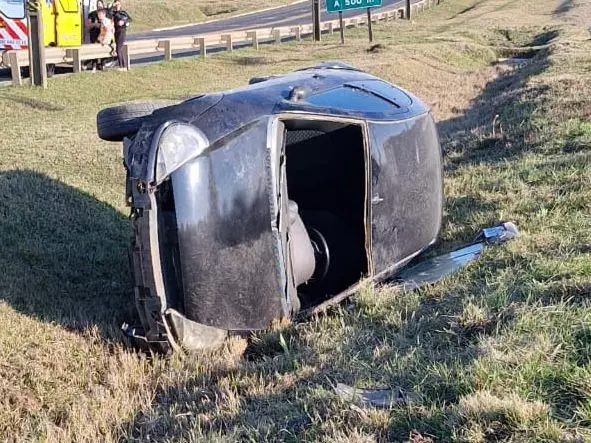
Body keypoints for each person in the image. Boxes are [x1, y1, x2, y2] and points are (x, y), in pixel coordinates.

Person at [111, 0, 132, 70]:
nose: (117, 6)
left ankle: (121, 66)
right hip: (115, 32)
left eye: (118, 4)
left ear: (120, 5)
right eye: (116, 4)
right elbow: (108, 14)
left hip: (122, 31)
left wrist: (123, 21)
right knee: (120, 49)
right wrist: (112, 6)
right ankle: (124, 65)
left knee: (118, 49)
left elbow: (129, 19)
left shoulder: (123, 12)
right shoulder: (112, 13)